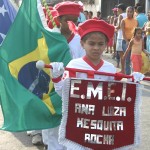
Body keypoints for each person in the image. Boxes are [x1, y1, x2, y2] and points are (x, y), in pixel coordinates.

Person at [50, 19, 145, 150]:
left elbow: (115, 98)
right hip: (79, 123)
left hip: (101, 126)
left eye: (101, 44)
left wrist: (132, 82)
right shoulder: (74, 66)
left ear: (106, 45)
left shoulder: (110, 68)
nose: (96, 48)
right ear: (82, 44)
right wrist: (56, 77)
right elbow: (64, 95)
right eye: (91, 43)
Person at [42, 1, 86, 150]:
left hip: (72, 90)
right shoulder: (49, 37)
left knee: (72, 129)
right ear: (59, 20)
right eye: (68, 20)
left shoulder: (81, 41)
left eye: (75, 20)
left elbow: (84, 66)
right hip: (50, 88)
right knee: (53, 128)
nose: (73, 24)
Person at [121, 6, 138, 75]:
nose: (129, 13)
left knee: (133, 58)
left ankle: (133, 74)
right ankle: (127, 75)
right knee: (127, 59)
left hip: (134, 42)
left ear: (133, 13)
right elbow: (123, 32)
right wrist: (127, 41)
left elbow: (137, 32)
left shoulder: (136, 21)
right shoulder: (123, 21)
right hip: (126, 41)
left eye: (130, 12)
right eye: (128, 11)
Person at [115, 3, 127, 68]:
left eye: (117, 9)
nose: (117, 10)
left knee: (121, 54)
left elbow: (119, 26)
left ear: (119, 9)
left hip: (120, 36)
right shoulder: (128, 15)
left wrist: (113, 27)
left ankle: (123, 69)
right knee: (126, 54)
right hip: (126, 36)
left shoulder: (121, 15)